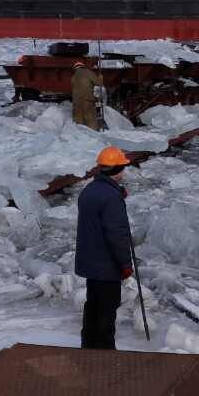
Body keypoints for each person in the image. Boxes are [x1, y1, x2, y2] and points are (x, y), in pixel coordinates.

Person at [74, 146, 134, 349]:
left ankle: (88, 346)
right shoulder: (111, 197)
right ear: (116, 169)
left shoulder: (89, 190)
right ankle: (105, 351)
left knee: (93, 306)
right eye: (123, 167)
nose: (124, 171)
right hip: (107, 265)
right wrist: (125, 264)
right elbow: (117, 234)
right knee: (107, 309)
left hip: (90, 263)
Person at [72, 60, 103, 130]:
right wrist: (101, 78)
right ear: (83, 66)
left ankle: (79, 137)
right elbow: (99, 83)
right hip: (87, 101)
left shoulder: (73, 77)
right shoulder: (88, 72)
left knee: (79, 124)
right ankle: (94, 135)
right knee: (91, 122)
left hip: (76, 103)